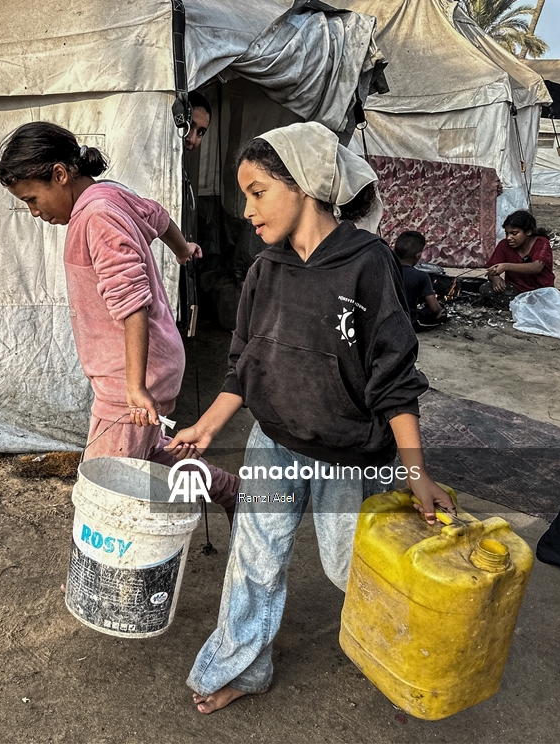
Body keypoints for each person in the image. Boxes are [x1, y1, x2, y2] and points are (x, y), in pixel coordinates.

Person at [165, 121, 454, 715]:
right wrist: (207, 427)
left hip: (350, 454)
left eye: (258, 192)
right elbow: (244, 363)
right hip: (273, 444)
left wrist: (416, 471)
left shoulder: (368, 264)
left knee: (353, 568)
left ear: (304, 185)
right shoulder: (264, 269)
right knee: (255, 563)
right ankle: (242, 667)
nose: (247, 210)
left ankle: (415, 658)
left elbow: (394, 378)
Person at [0, 122, 239, 514]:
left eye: (32, 199)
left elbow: (132, 305)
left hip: (129, 379)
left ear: (60, 174)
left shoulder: (97, 217)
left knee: (103, 491)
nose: (34, 212)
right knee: (146, 456)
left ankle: (110, 563)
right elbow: (157, 216)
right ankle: (231, 491)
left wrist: (135, 387)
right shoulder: (108, 194)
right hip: (144, 367)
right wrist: (181, 248)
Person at [481, 210, 560, 308]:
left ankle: (521, 306)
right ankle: (530, 307)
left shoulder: (541, 242)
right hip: (515, 290)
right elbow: (492, 269)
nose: (509, 237)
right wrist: (495, 278)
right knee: (485, 288)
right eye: (507, 233)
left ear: (528, 232)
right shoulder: (504, 245)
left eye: (514, 233)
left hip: (541, 291)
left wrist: (506, 266)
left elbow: (536, 267)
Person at [393, 230, 445, 327]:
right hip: (408, 322)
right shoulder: (421, 276)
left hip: (385, 320)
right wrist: (438, 313)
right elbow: (434, 309)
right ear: (418, 255)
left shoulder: (384, 270)